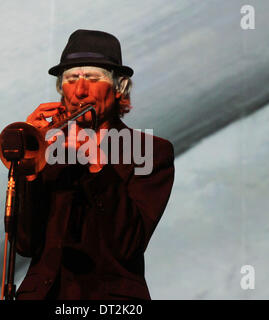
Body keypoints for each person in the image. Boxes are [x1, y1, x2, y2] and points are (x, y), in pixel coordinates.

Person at [14, 29, 175, 300]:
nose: (79, 91)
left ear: (119, 87)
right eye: (70, 79)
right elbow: (25, 244)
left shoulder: (151, 151)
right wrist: (32, 164)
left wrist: (98, 164)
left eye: (92, 78)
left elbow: (128, 245)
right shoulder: (48, 149)